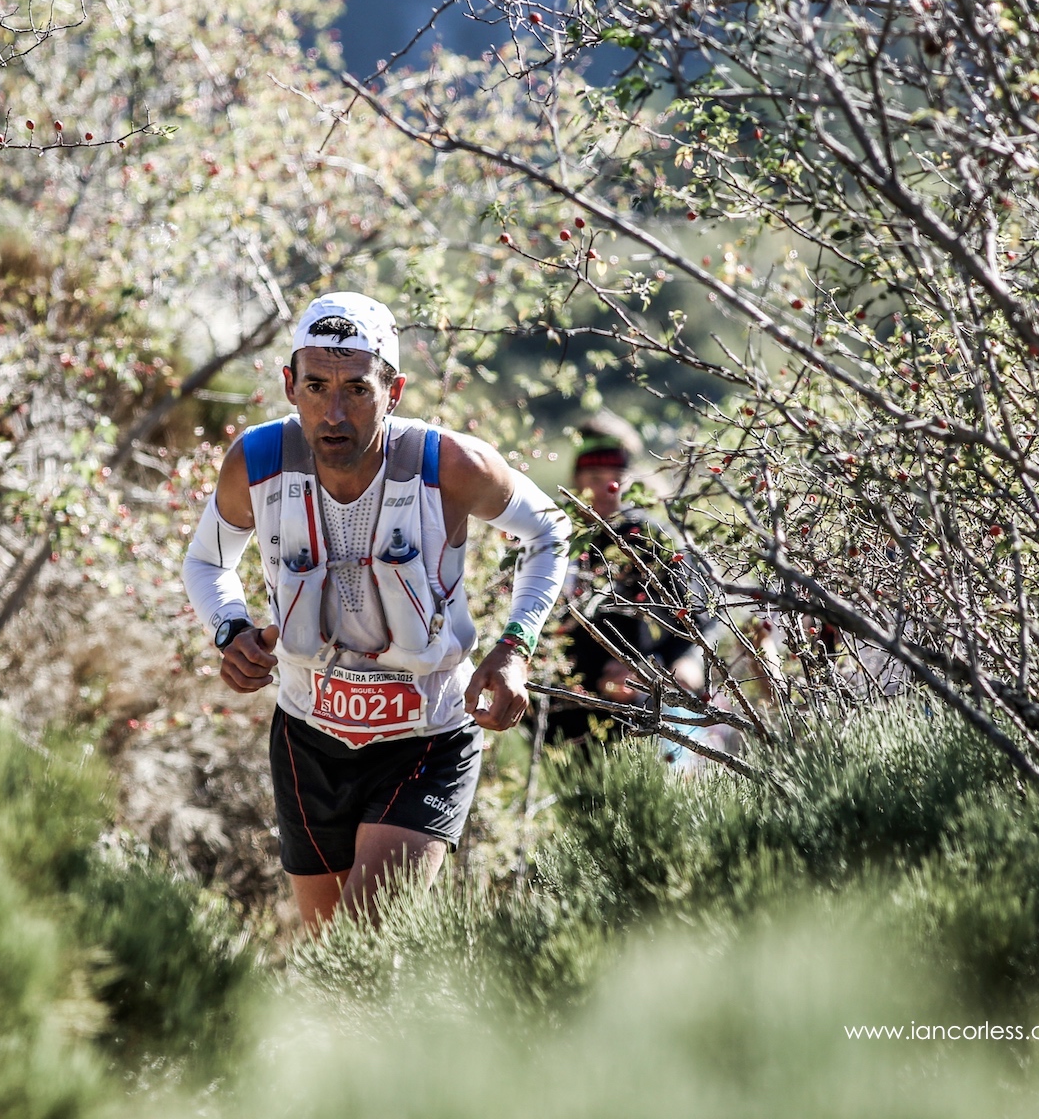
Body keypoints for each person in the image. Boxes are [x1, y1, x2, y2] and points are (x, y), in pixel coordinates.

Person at [181, 292, 571, 929]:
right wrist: (230, 631)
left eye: (357, 390)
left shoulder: (452, 465)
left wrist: (514, 649)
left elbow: (551, 532)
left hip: (425, 736)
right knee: (330, 957)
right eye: (316, 386)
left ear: (394, 391)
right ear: (289, 385)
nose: (335, 413)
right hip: (306, 733)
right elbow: (205, 563)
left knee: (367, 937)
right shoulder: (255, 462)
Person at [545, 417, 711, 747]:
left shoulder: (646, 537)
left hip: (633, 711)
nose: (608, 489)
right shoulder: (550, 534)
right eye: (594, 478)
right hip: (557, 713)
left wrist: (648, 670)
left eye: (617, 478)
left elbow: (697, 618)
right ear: (576, 478)